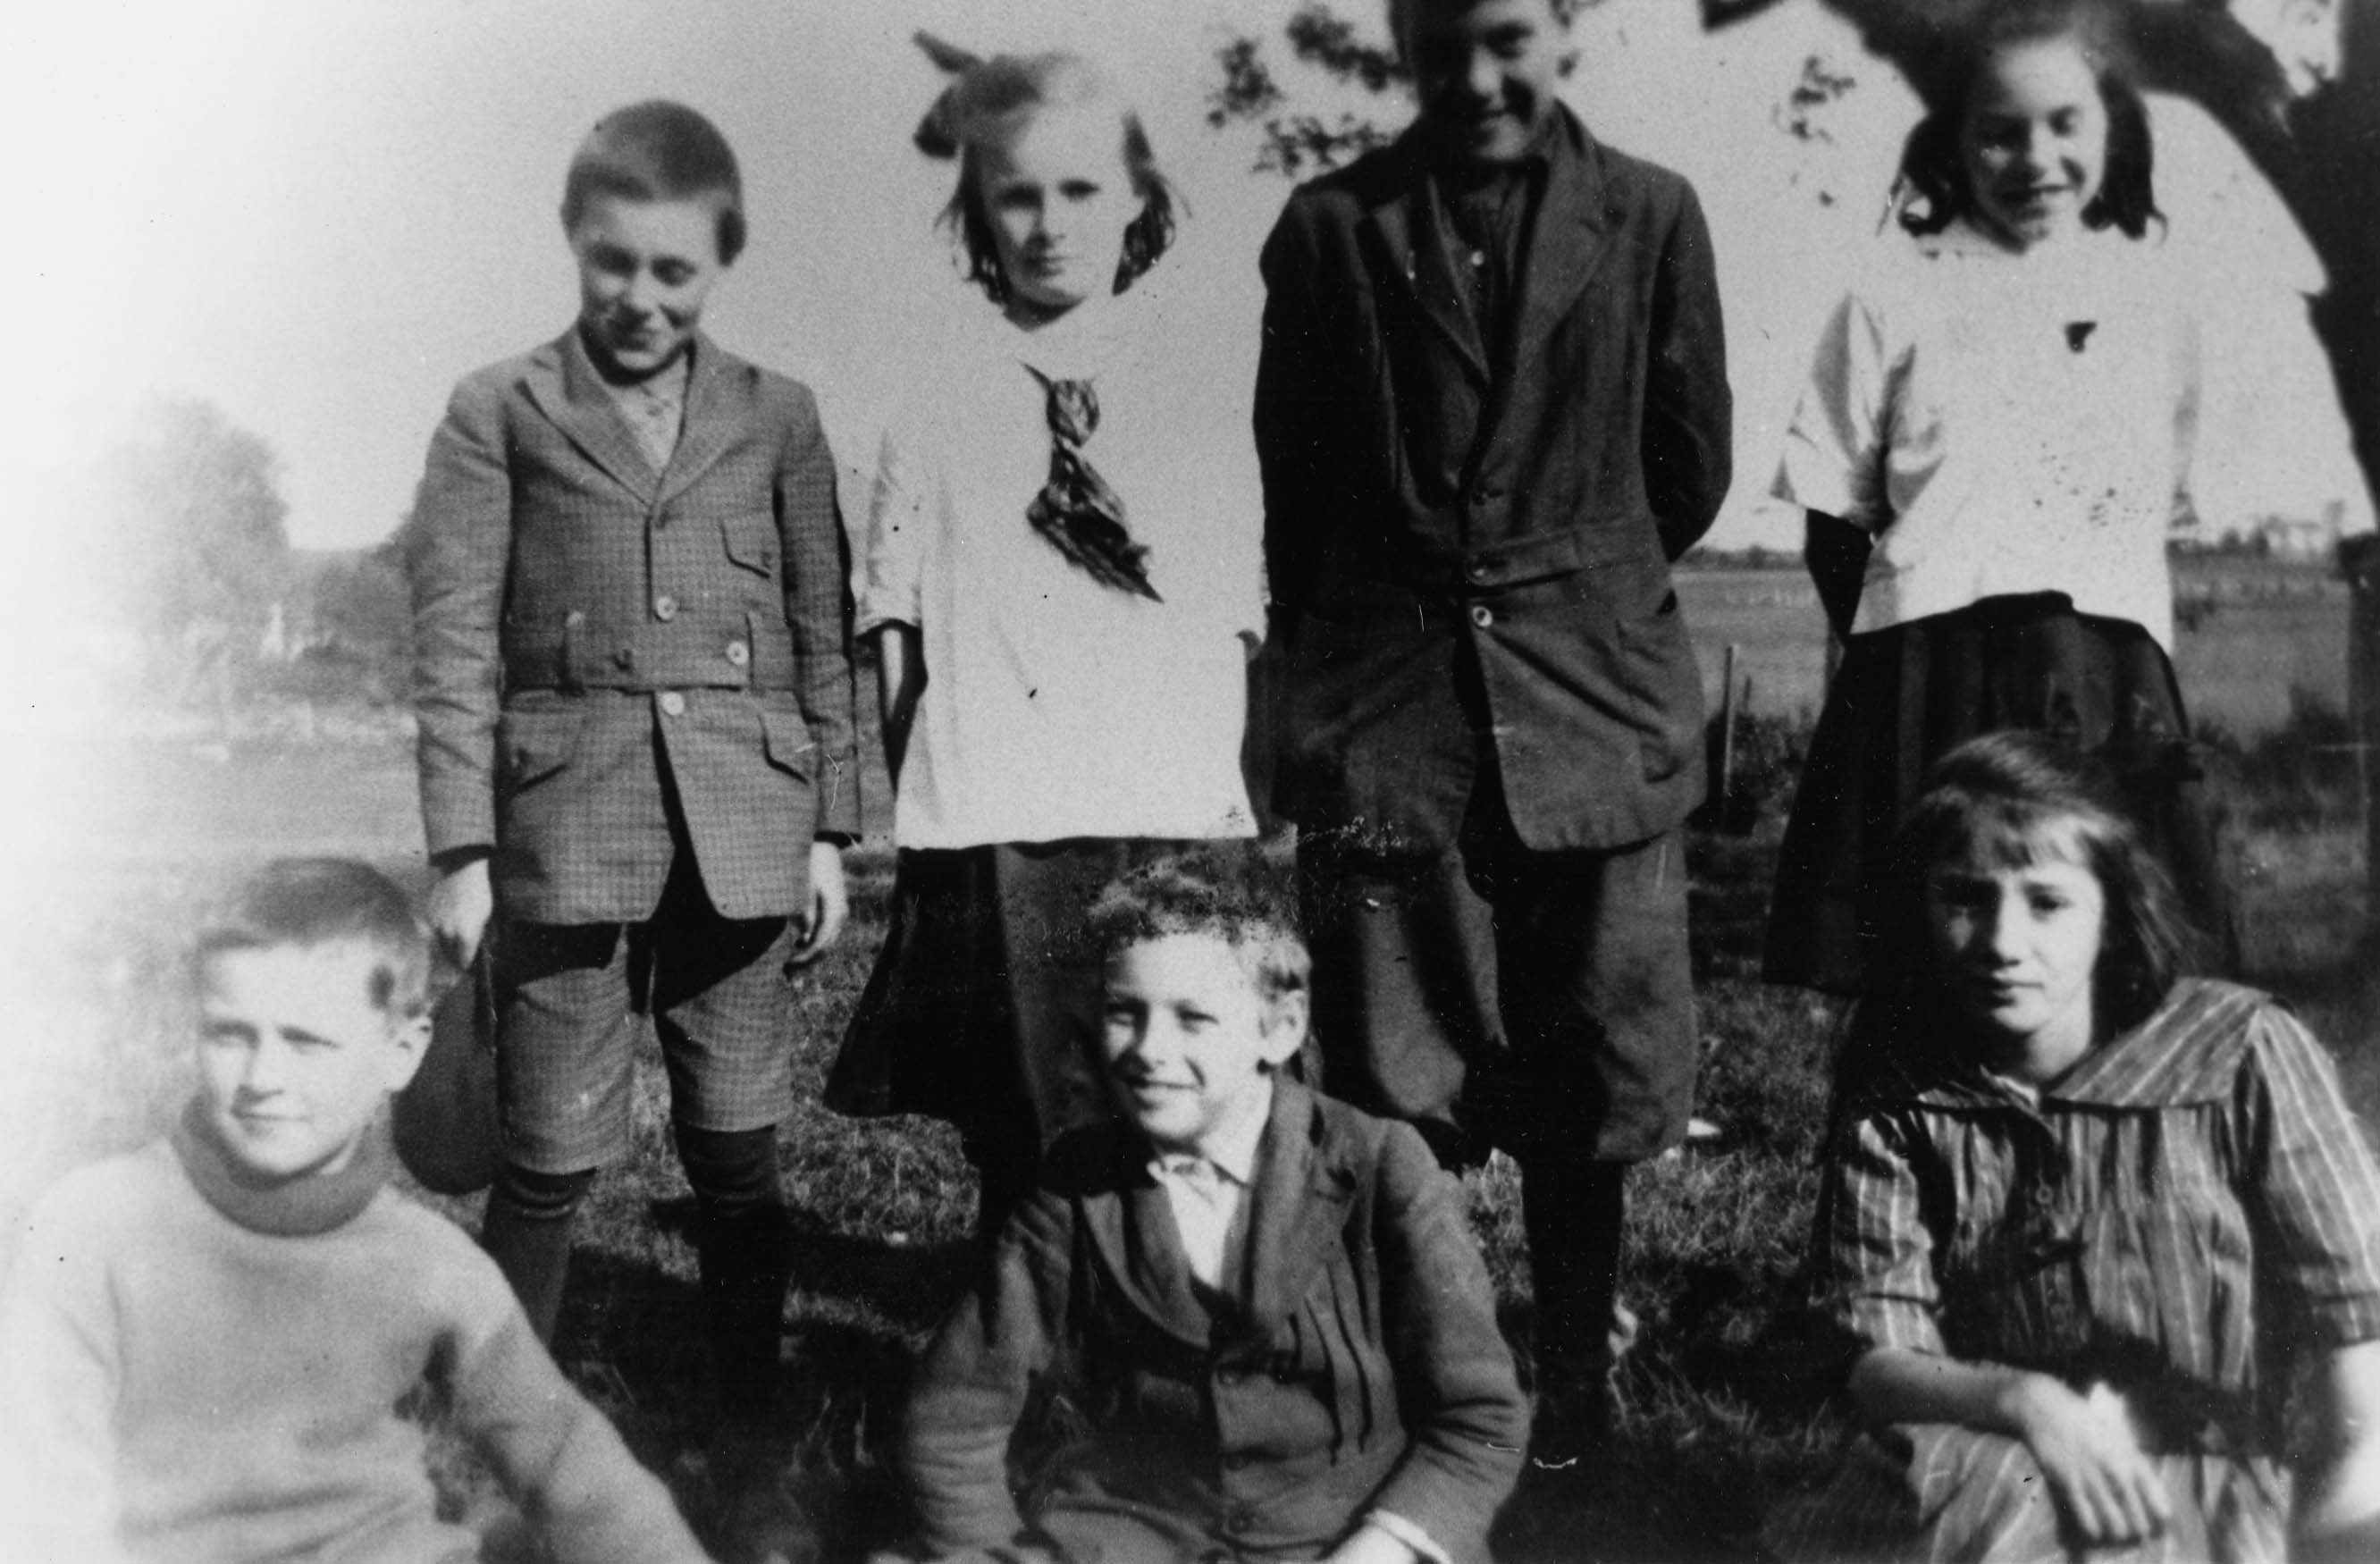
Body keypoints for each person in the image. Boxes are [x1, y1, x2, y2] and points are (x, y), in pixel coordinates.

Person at [1252, 0, 1731, 1466]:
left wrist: (1562, 586)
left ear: (1567, 28)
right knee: (1390, 1066)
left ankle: (1575, 1382)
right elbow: (1295, 483)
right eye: (1440, 41)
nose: (1474, 77)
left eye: (1508, 35)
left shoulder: (1650, 214)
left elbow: (1687, 464)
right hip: (1391, 710)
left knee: (1586, 1069)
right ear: (1402, 42)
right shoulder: (1330, 228)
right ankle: (1436, 1375)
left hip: (1591, 704)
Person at [1760, 0, 2373, 995]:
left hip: (2104, 678)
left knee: (2110, 962)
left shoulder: (2152, 299)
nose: (2034, 160)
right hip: (1929, 671)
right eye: (1998, 133)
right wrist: (1900, 665)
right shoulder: (1891, 290)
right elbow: (1835, 514)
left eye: (2064, 126)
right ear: (1953, 141)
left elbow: (2154, 500)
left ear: (2110, 131)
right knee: (1931, 960)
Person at [403, 101, 861, 1425]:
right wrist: (463, 850)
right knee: (545, 1153)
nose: (640, 298)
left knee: (737, 1148)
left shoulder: (779, 415)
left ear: (723, 259)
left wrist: (831, 831)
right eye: (613, 262)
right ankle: (504, 1432)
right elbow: (452, 642)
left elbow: (821, 635)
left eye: (674, 271)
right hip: (562, 832)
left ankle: (749, 1436)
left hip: (746, 826)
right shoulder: (499, 408)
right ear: (571, 238)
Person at [825, 47, 1264, 1241]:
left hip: (1161, 808)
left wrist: (1214, 805)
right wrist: (943, 810)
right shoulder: (934, 392)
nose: (1048, 224)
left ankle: (1154, 1321)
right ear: (977, 213)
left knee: (1167, 1094)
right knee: (1021, 1115)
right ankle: (1027, 1326)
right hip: (999, 817)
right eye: (1015, 196)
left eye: (1079, 190)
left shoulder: (1198, 388)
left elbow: (1234, 618)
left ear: (1135, 199)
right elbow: (894, 623)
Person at [1768, 732, 2380, 1563]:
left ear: (2112, 912)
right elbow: (1874, 1356)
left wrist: (2337, 1528)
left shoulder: (2239, 1053)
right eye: (1965, 898)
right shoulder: (1901, 1087)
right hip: (1988, 1458)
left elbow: (2359, 1332)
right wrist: (2024, 1402)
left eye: (2047, 903)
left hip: (2213, 1472)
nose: (2001, 944)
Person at [0, 859, 717, 1564]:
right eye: (230, 1034)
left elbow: (567, 1453)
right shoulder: (93, 1227)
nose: (262, 1077)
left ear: (400, 1052)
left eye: (306, 1042)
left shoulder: (424, 1258)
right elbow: (45, 1503)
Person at [899, 858, 1527, 1564]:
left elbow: (1478, 1421)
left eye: (1193, 1019)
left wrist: (1379, 1549)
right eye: (1123, 1013)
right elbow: (953, 1417)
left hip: (1346, 1538)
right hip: (1129, 1538)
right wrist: (982, 1548)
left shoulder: (1380, 1169)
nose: (1149, 1050)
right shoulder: (1077, 1184)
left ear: (1280, 1028)